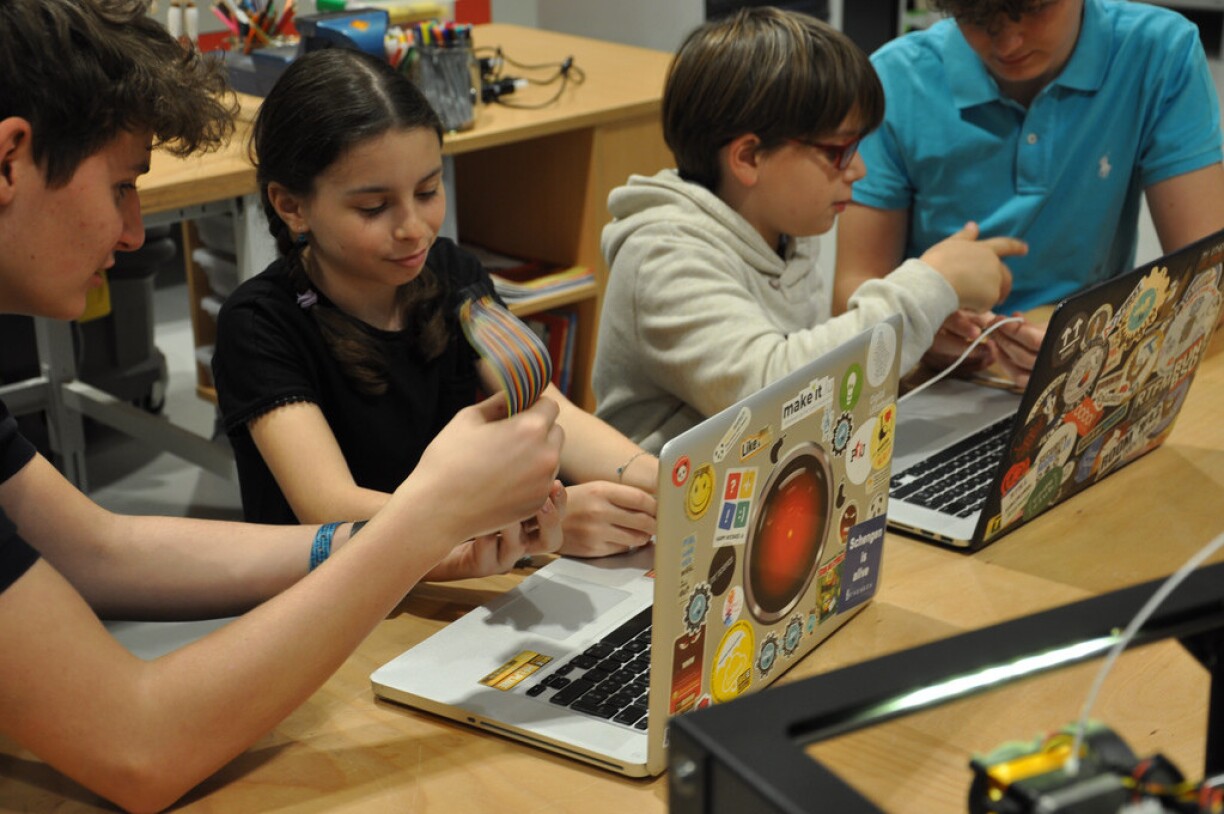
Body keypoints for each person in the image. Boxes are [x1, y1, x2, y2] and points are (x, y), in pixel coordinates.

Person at [0, 2, 569, 810]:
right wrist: (427, 522)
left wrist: (417, 541)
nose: (133, 232)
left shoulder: (447, 273)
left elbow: (97, 551)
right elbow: (136, 746)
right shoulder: (266, 323)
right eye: (122, 186)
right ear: (10, 160)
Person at [211, 48, 658, 564]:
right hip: (334, 587)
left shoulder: (450, 272)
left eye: (427, 191)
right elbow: (330, 508)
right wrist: (532, 525)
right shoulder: (260, 326)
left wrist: (657, 477)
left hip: (459, 559)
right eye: (374, 207)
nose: (413, 228)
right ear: (292, 206)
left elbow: (546, 408)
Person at [591, 7, 1026, 454]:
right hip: (661, 495)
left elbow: (810, 370)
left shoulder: (782, 230)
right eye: (839, 151)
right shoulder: (663, 255)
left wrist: (919, 339)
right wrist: (931, 286)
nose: (858, 169)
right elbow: (769, 398)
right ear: (748, 158)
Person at [834, 0, 1224, 379]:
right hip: (940, 374)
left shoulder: (1157, 51)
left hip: (1098, 355)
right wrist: (917, 327)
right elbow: (851, 298)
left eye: (1035, 9)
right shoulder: (898, 80)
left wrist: (1103, 345)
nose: (1008, 43)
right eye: (975, 16)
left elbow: (1210, 283)